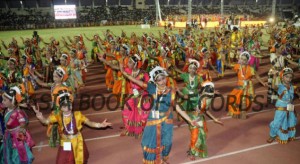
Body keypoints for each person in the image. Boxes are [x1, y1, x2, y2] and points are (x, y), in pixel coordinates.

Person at [121, 66, 199, 164]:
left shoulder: (171, 91)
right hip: (152, 119)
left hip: (166, 120)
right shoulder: (151, 88)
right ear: (155, 81)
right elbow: (136, 81)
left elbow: (178, 108)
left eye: (163, 78)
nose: (162, 81)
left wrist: (190, 120)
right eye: (159, 80)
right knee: (148, 143)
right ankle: (155, 161)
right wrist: (124, 72)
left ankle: (164, 157)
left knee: (167, 143)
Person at [33, 89, 112, 164]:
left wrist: (100, 125)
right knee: (63, 160)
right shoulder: (58, 116)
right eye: (65, 106)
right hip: (66, 141)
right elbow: (46, 122)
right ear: (60, 107)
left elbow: (89, 122)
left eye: (69, 105)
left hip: (77, 140)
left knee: (77, 159)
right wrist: (41, 117)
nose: (68, 108)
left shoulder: (78, 115)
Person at [227, 51, 267, 119]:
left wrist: (263, 83)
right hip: (239, 85)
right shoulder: (237, 66)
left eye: (244, 60)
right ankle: (235, 112)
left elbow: (257, 76)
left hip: (248, 86)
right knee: (233, 97)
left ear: (247, 61)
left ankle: (243, 115)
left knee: (245, 101)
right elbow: (229, 65)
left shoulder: (251, 69)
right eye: (241, 59)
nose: (242, 61)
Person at [0, 86, 35, 164]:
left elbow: (23, 124)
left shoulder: (18, 112)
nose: (2, 101)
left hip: (17, 138)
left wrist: (21, 133)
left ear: (11, 101)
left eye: (5, 100)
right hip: (8, 136)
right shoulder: (7, 109)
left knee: (18, 157)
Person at [267, 68, 299, 144]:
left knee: (291, 121)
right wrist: (274, 76)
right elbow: (274, 86)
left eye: (290, 77)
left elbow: (295, 94)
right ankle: (272, 135)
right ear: (282, 77)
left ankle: (289, 136)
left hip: (290, 106)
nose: (288, 79)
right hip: (281, 106)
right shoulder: (280, 86)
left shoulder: (292, 86)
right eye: (286, 77)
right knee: (277, 122)